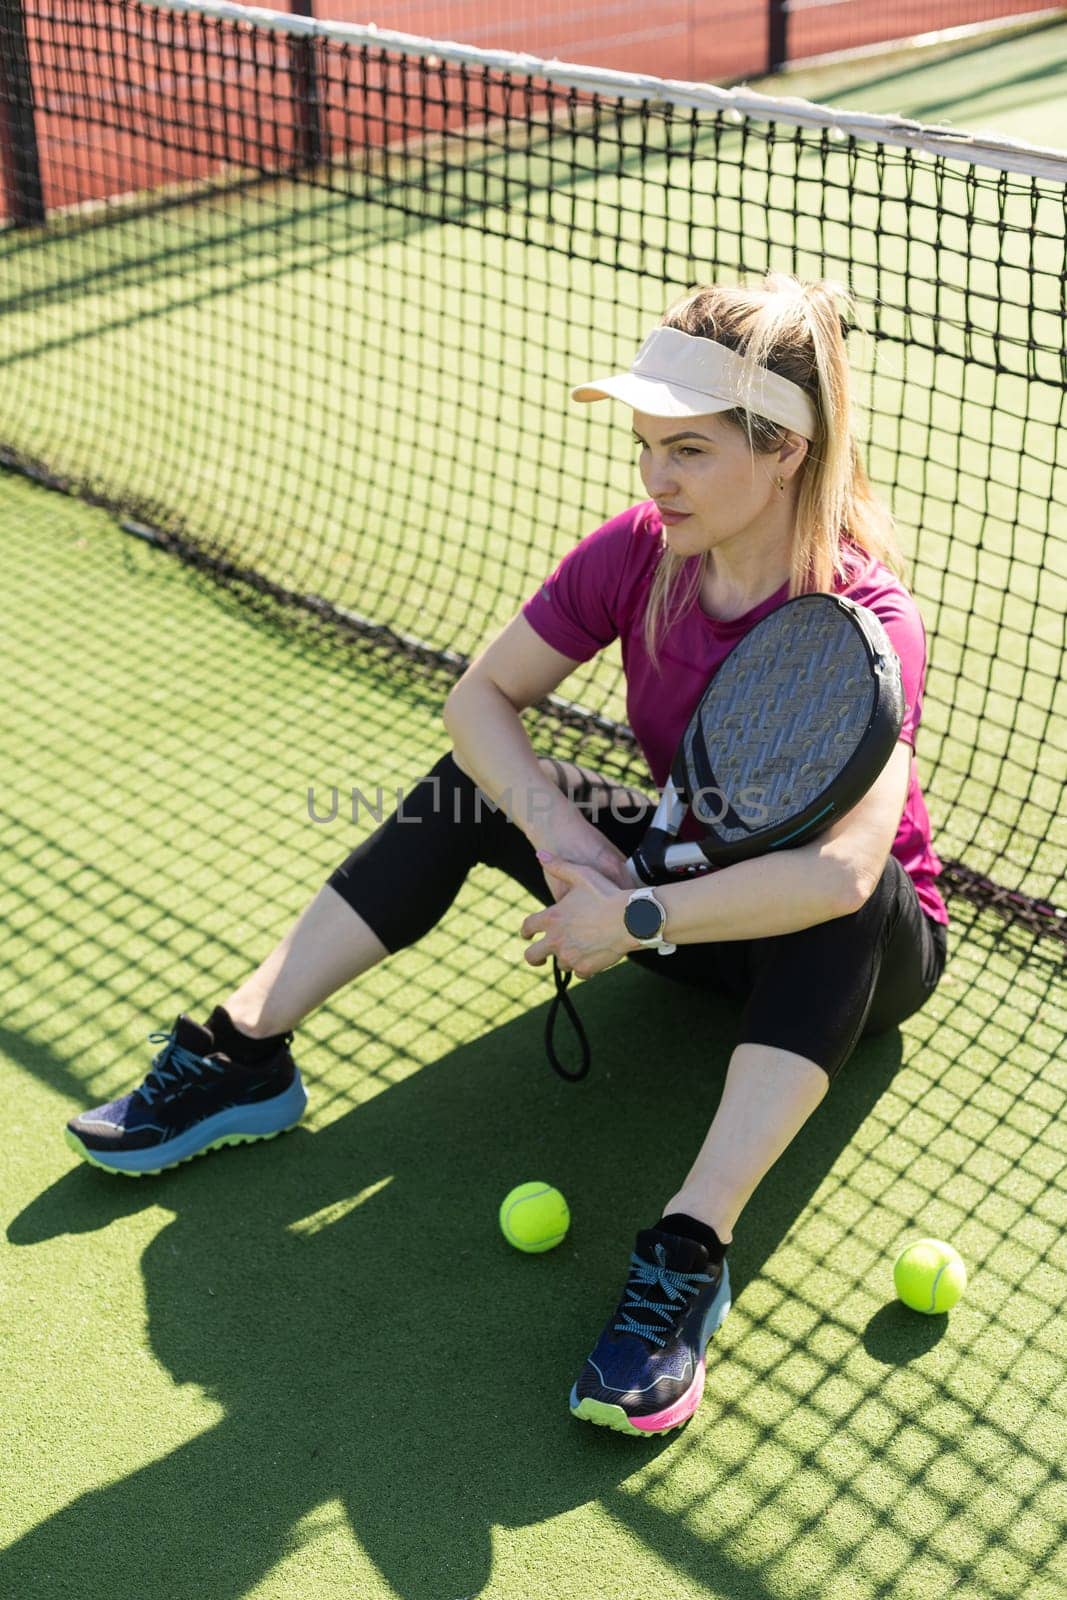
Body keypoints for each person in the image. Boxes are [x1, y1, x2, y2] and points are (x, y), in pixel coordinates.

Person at [65, 273, 949, 1438]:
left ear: (782, 448)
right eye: (644, 446)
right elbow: (479, 699)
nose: (653, 479)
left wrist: (632, 922)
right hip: (684, 879)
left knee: (846, 891)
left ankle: (689, 1247)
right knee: (462, 793)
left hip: (854, 956)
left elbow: (835, 879)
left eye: (685, 451)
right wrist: (558, 829)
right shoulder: (642, 552)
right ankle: (245, 1052)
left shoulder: (860, 618)